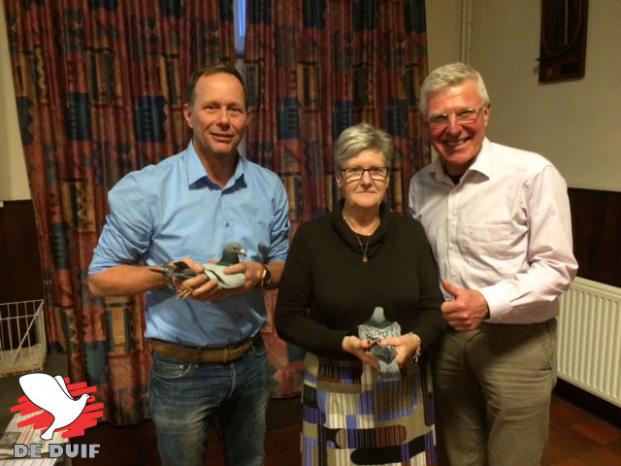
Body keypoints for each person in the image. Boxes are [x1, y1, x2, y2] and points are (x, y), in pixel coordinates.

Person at [88, 63, 290, 466]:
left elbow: (283, 263)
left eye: (234, 109)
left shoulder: (269, 186)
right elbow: (101, 278)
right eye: (211, 107)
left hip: (250, 361)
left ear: (247, 117)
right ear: (187, 114)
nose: (223, 120)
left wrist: (259, 275)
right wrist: (167, 273)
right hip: (182, 368)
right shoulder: (146, 188)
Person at [408, 62, 578, 466]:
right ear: (425, 123)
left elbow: (558, 267)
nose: (453, 128)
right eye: (439, 118)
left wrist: (486, 302)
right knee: (460, 456)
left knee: (513, 458)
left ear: (485, 113)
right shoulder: (420, 183)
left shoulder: (532, 173)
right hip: (446, 343)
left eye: (465, 113)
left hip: (516, 344)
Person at [275, 122, 446, 466]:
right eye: (355, 170)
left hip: (402, 386)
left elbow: (434, 309)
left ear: (387, 177)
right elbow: (288, 320)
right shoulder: (312, 238)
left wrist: (414, 340)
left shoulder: (410, 234)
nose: (366, 180)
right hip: (333, 386)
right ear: (338, 177)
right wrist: (343, 343)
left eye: (376, 170)